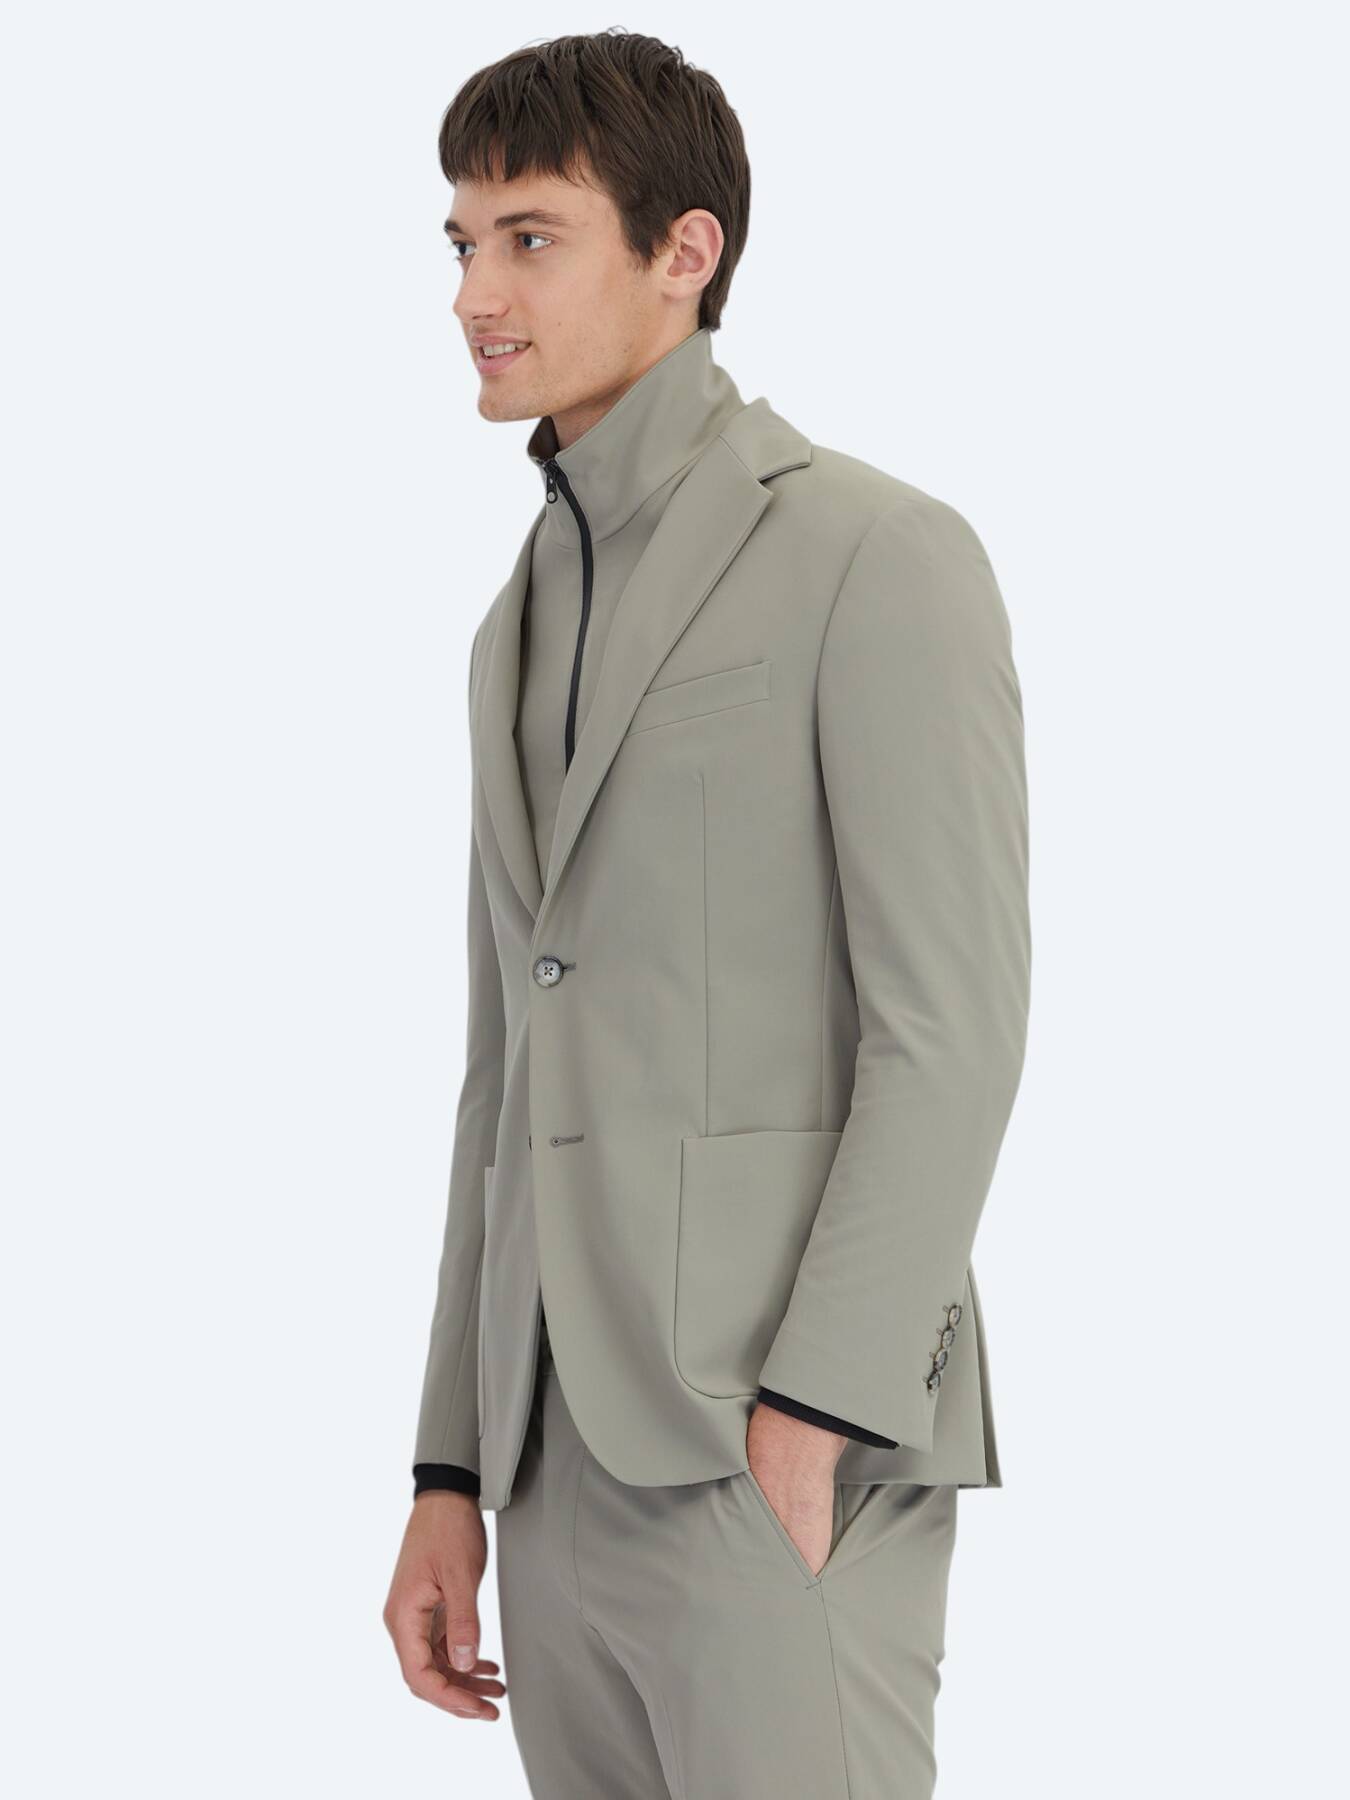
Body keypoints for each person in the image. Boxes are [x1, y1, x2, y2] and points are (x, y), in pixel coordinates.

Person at [384, 28, 1030, 1798]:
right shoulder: (513, 620)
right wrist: (450, 1470)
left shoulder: (871, 553)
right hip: (550, 1464)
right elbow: (501, 1075)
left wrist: (815, 1413)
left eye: (529, 237)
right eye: (461, 243)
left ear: (686, 252)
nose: (474, 294)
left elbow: (951, 1032)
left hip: (772, 1442)